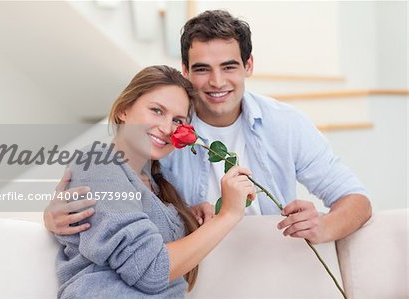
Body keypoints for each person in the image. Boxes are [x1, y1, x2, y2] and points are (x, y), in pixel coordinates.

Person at [45, 10, 371, 244]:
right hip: (194, 265)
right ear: (185, 70)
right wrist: (51, 215)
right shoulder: (161, 132)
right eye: (202, 69)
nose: (216, 82)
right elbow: (106, 178)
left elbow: (356, 199)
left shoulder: (286, 124)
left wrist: (323, 227)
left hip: (271, 256)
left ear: (249, 66)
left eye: (229, 67)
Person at [55, 65, 256, 298]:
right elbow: (151, 269)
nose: (166, 128)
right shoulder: (99, 164)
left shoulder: (155, 181)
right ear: (123, 110)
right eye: (157, 111)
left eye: (178, 120)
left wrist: (186, 215)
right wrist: (228, 215)